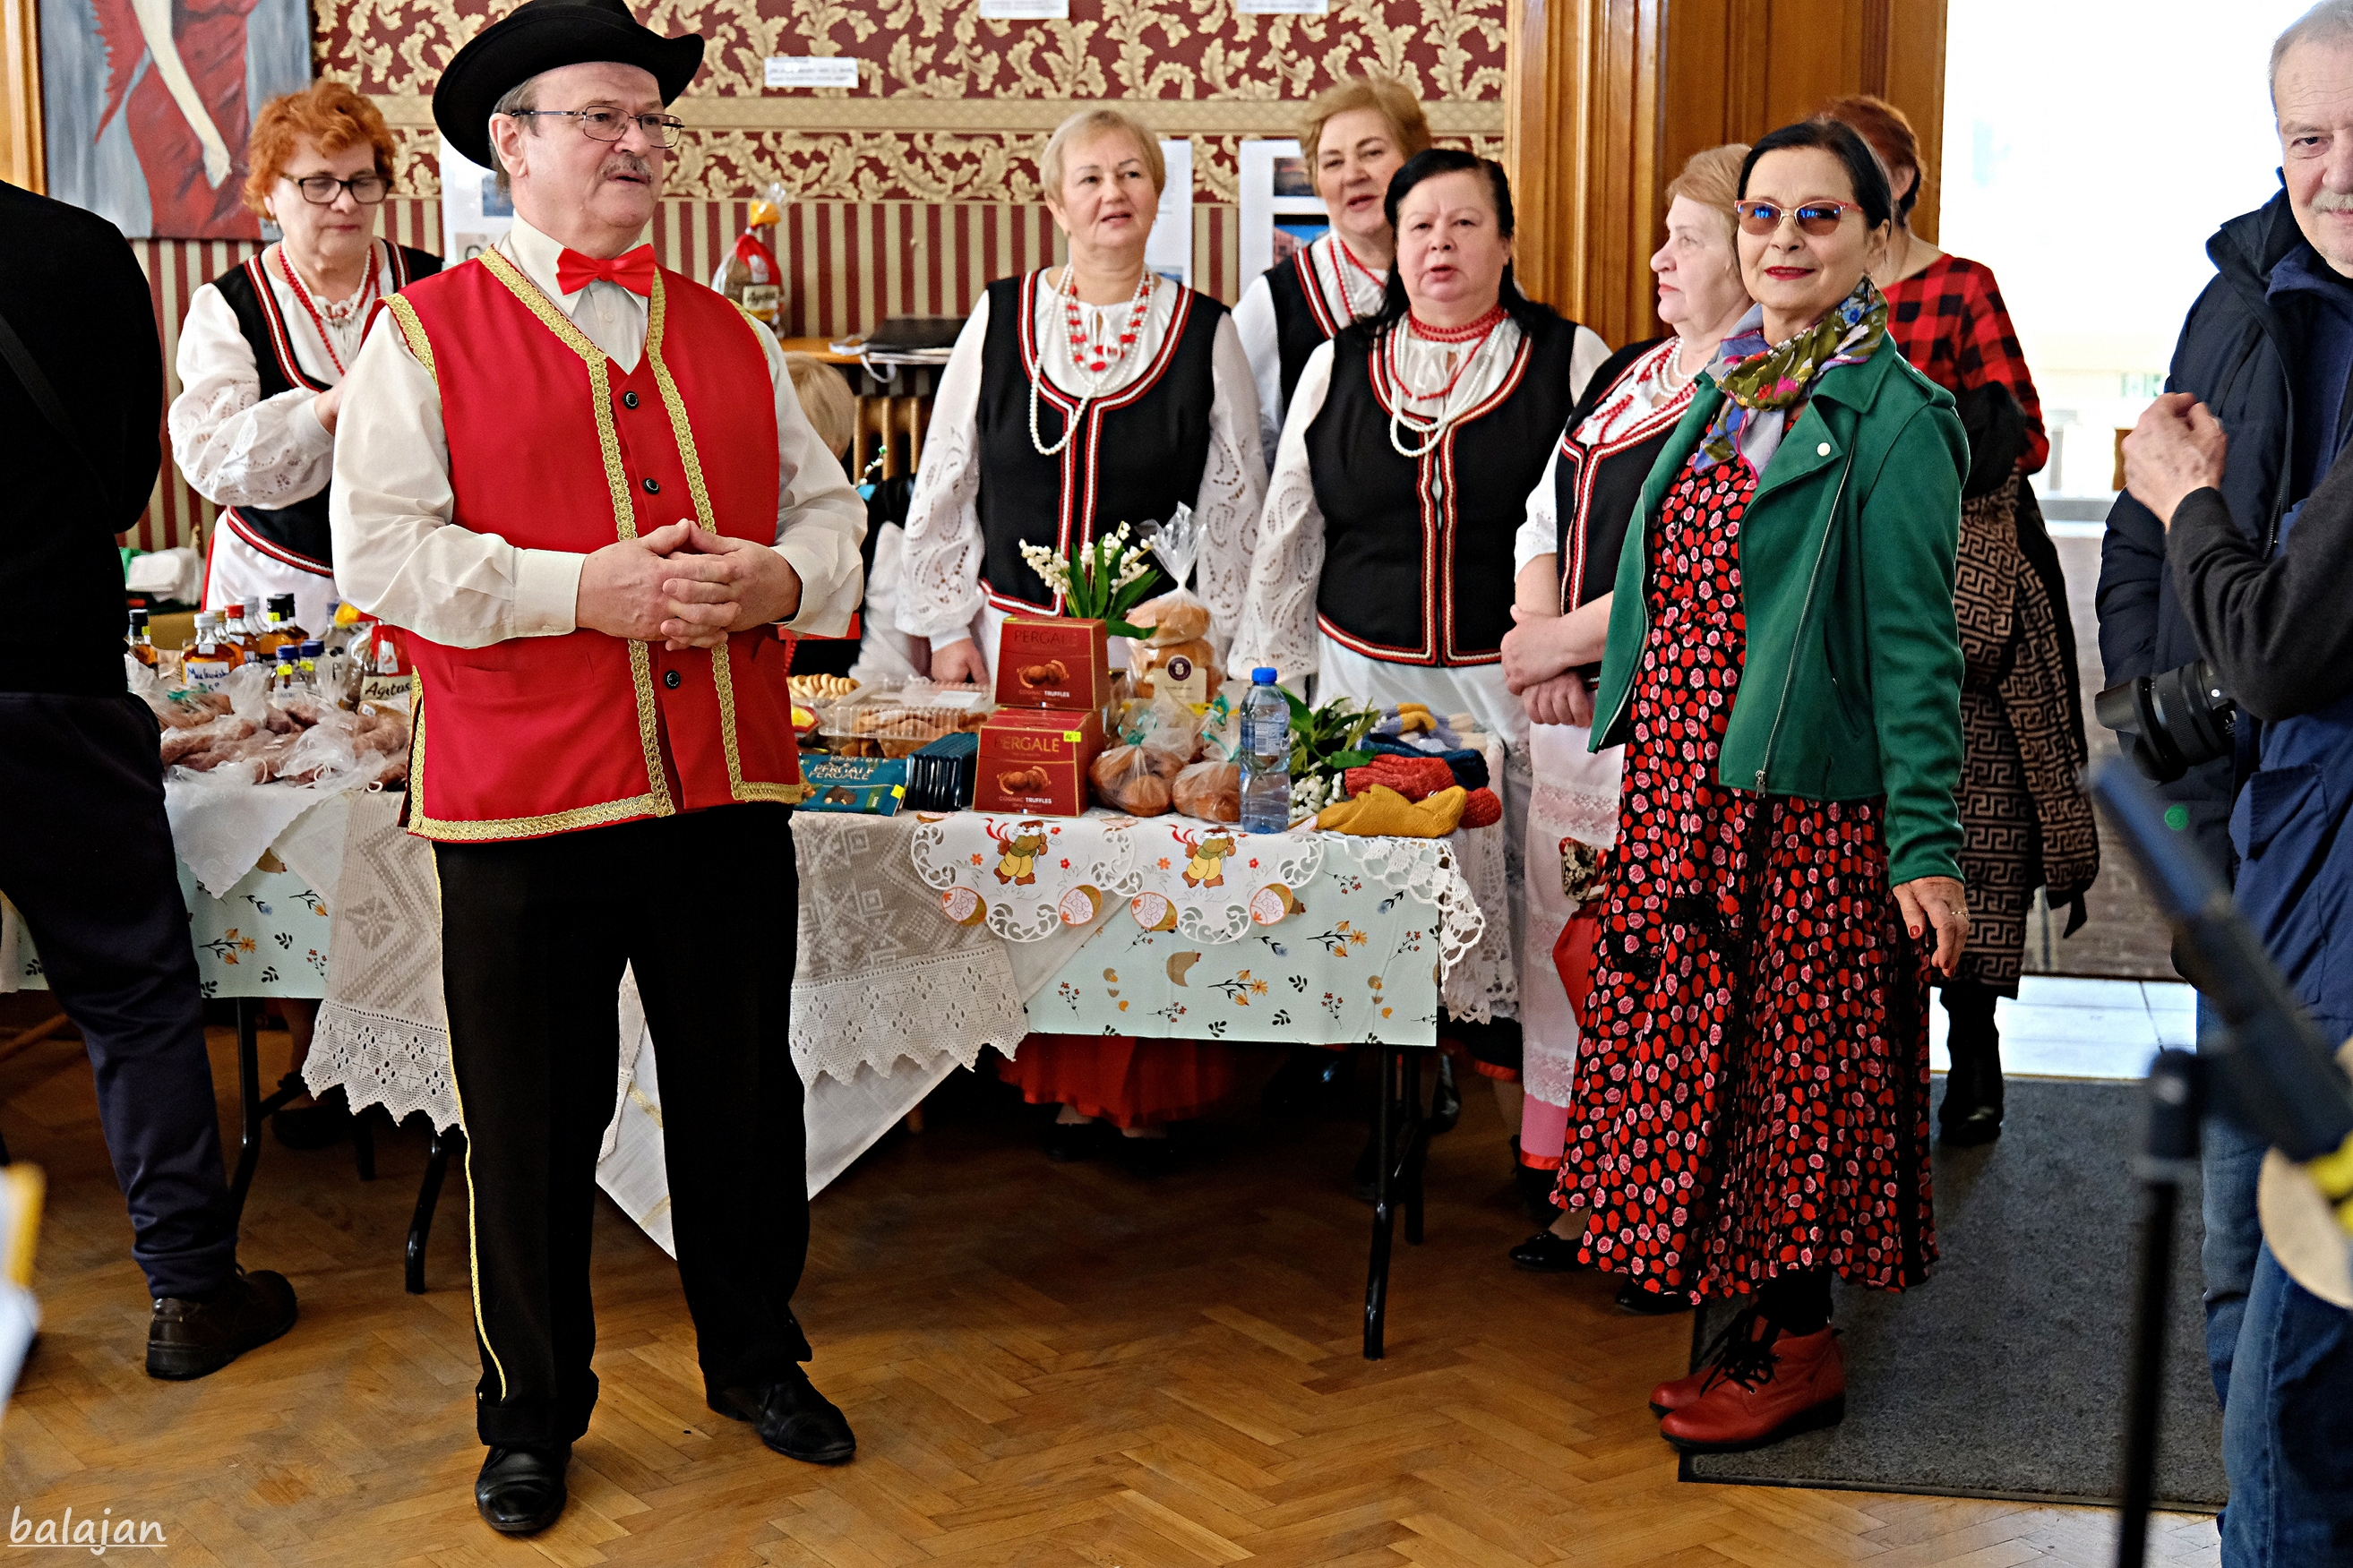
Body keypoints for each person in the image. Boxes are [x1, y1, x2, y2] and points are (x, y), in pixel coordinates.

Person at [330, 0, 866, 1533]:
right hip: (521, 801)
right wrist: (583, 590)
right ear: (512, 145)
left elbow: (831, 516)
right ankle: (530, 1412)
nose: (637, 143)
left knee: (740, 1098)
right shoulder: (422, 333)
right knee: (531, 1123)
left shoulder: (729, 331)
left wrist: (778, 579)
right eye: (600, 117)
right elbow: (381, 554)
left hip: (721, 785)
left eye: (649, 120)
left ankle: (756, 1357)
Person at [1554, 119, 1968, 1451]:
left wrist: (1924, 846)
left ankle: (1799, 1347)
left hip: (1798, 803)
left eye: (1816, 216)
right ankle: (1757, 1322)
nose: (1782, 239)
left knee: (1794, 1077)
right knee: (1707, 1064)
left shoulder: (1895, 420)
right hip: (1685, 783)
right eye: (1761, 214)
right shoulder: (1732, 382)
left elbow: (1917, 652)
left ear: (1874, 240)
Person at [893, 107, 1266, 1170]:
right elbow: (948, 475)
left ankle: (1137, 1091)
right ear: (1054, 200)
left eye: (1132, 174)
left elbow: (1233, 506)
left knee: (1141, 850)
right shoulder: (999, 316)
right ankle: (1049, 1077)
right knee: (1031, 851)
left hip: (1154, 654)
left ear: (1158, 195)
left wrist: (1210, 647)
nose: (1112, 193)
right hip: (1014, 638)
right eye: (1091, 177)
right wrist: (944, 627)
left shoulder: (1206, 329)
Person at [2095, 0, 2348, 1456]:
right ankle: (2245, 1508)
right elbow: (2145, 526)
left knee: (2315, 1284)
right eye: (2306, 137)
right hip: (2235, 838)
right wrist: (2163, 744)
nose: (2335, 173)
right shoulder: (2235, 294)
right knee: (2231, 1245)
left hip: (2337, 863)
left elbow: (2275, 639)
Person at [1232, 149, 1608, 1113]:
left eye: (1464, 223)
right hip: (1363, 684)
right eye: (1419, 227)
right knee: (1379, 903)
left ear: (1506, 241)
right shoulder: (1336, 364)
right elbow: (1288, 531)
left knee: (1525, 906)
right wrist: (1266, 684)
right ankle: (1393, 1110)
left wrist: (1571, 653)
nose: (1439, 244)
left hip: (1512, 689)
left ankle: (1535, 1123)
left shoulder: (1569, 358)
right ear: (1391, 246)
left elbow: (1595, 526)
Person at [0, 179, 298, 1381]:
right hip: (53, 678)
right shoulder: (75, 251)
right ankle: (188, 1289)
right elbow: (128, 483)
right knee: (131, 992)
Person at [1818, 93, 2098, 1145]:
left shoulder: (1957, 284)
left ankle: (1971, 1041)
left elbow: (2023, 431)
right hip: (1831, 580)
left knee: (1971, 813)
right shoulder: (1813, 289)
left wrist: (1912, 451)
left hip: (1952, 566)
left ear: (1899, 180)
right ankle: (1871, 1056)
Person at [169, 80, 442, 1151]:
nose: (341, 204)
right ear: (269, 193)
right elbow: (213, 461)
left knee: (406, 808)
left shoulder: (433, 286)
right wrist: (330, 404)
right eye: (317, 183)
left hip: (408, 586)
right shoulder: (229, 306)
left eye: (362, 183)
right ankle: (314, 1050)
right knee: (282, 815)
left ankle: (421, 1040)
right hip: (273, 591)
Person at [1497, 143, 1752, 1270]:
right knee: (1568, 942)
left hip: (1670, 723)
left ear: (1745, 255)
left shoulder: (1753, 390)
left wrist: (1555, 642)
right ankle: (1581, 1187)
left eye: (1684, 238)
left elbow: (1700, 566)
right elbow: (1538, 514)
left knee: (1654, 964)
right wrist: (1539, 641)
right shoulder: (1632, 372)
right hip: (1573, 720)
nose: (1657, 257)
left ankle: (1661, 1209)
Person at [1232, 75, 1431, 466]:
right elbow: (1242, 449)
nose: (1352, 175)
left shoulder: (1468, 277)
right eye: (1333, 162)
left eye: (1371, 153)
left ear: (1415, 161)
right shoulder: (1275, 301)